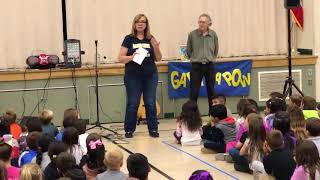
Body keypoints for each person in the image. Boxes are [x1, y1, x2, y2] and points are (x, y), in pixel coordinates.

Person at [118, 14, 162, 138]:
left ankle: (153, 129)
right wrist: (133, 57)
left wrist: (156, 47)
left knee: (150, 102)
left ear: (146, 24)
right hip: (133, 76)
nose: (140, 23)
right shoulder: (129, 39)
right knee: (133, 103)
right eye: (138, 21)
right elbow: (120, 58)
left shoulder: (150, 38)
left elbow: (158, 58)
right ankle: (129, 130)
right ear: (134, 24)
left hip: (150, 75)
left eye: (143, 21)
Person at [187, 13, 219, 111]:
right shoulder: (192, 35)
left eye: (203, 22)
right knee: (194, 92)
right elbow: (189, 51)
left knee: (211, 92)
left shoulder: (213, 34)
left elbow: (216, 50)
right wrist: (196, 58)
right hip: (197, 66)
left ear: (209, 23)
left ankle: (212, 115)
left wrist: (211, 58)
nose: (201, 24)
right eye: (200, 22)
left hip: (210, 66)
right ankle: (192, 115)